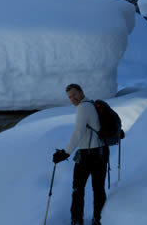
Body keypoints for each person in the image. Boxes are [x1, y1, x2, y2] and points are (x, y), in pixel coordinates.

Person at [52, 83, 109, 225]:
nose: (73, 99)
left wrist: (65, 153)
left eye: (74, 95)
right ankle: (98, 218)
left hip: (88, 154)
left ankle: (77, 220)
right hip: (101, 153)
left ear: (81, 92)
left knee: (78, 188)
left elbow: (78, 132)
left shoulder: (83, 107)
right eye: (70, 97)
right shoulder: (91, 105)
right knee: (98, 188)